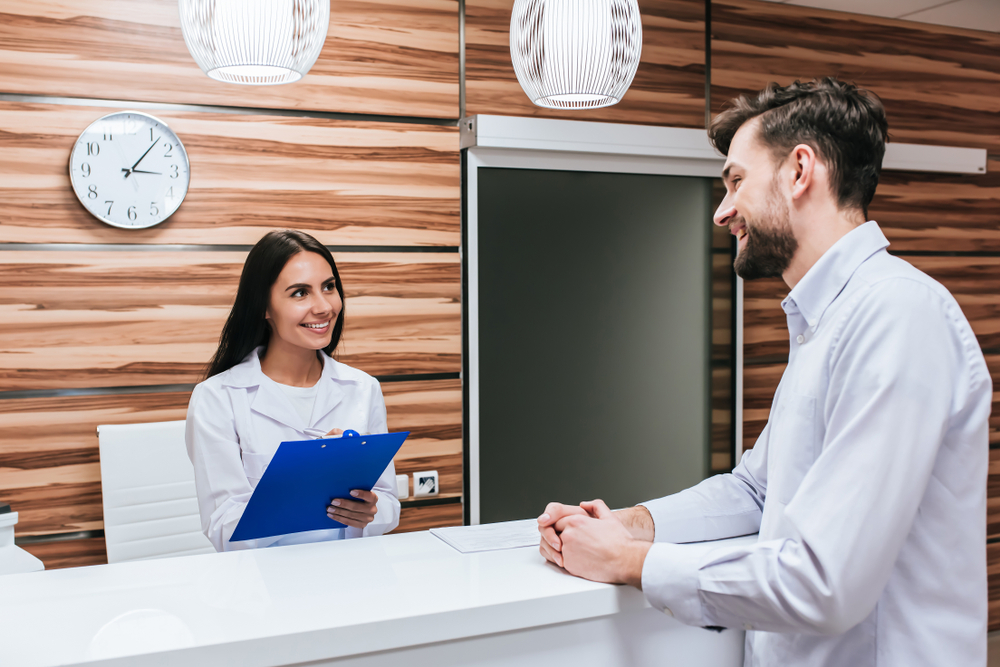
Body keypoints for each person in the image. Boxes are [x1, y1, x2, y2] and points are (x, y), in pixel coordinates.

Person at [538, 78, 991, 666]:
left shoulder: (897, 314)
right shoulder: (827, 319)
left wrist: (630, 562)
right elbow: (756, 489)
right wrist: (629, 525)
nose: (723, 211)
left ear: (800, 170)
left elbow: (825, 583)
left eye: (736, 181)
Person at [186, 229, 400, 551]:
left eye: (329, 287)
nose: (324, 306)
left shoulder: (363, 389)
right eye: (300, 293)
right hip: (263, 586)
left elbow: (388, 504)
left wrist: (370, 511)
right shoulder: (218, 398)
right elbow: (223, 527)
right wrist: (304, 482)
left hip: (351, 577)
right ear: (264, 307)